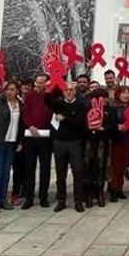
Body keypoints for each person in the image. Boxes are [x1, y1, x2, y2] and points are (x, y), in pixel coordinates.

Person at [48, 82, 87, 212]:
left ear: (75, 91)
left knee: (78, 173)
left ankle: (78, 201)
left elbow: (80, 122)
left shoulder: (80, 105)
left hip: (75, 143)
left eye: (71, 90)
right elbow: (47, 101)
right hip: (59, 143)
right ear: (63, 92)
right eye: (66, 90)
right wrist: (52, 83)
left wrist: (64, 118)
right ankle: (61, 201)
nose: (68, 92)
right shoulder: (58, 104)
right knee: (60, 174)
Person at [0, 80, 23, 214]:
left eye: (12, 89)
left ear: (17, 91)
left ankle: (3, 198)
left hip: (12, 141)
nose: (9, 92)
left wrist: (20, 141)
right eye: (8, 89)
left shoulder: (20, 104)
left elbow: (21, 125)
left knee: (6, 171)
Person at [21, 74, 54, 209]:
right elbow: (25, 113)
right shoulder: (30, 96)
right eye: (37, 83)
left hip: (46, 137)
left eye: (42, 83)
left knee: (45, 168)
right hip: (31, 136)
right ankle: (29, 197)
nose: (39, 85)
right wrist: (30, 125)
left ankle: (43, 197)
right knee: (29, 168)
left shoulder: (51, 96)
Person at [109, 86, 129, 201]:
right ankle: (113, 190)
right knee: (116, 166)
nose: (126, 95)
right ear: (118, 95)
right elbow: (109, 124)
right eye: (123, 93)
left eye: (128, 93)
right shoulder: (114, 108)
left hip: (128, 140)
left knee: (123, 166)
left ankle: (120, 188)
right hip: (116, 140)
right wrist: (117, 126)